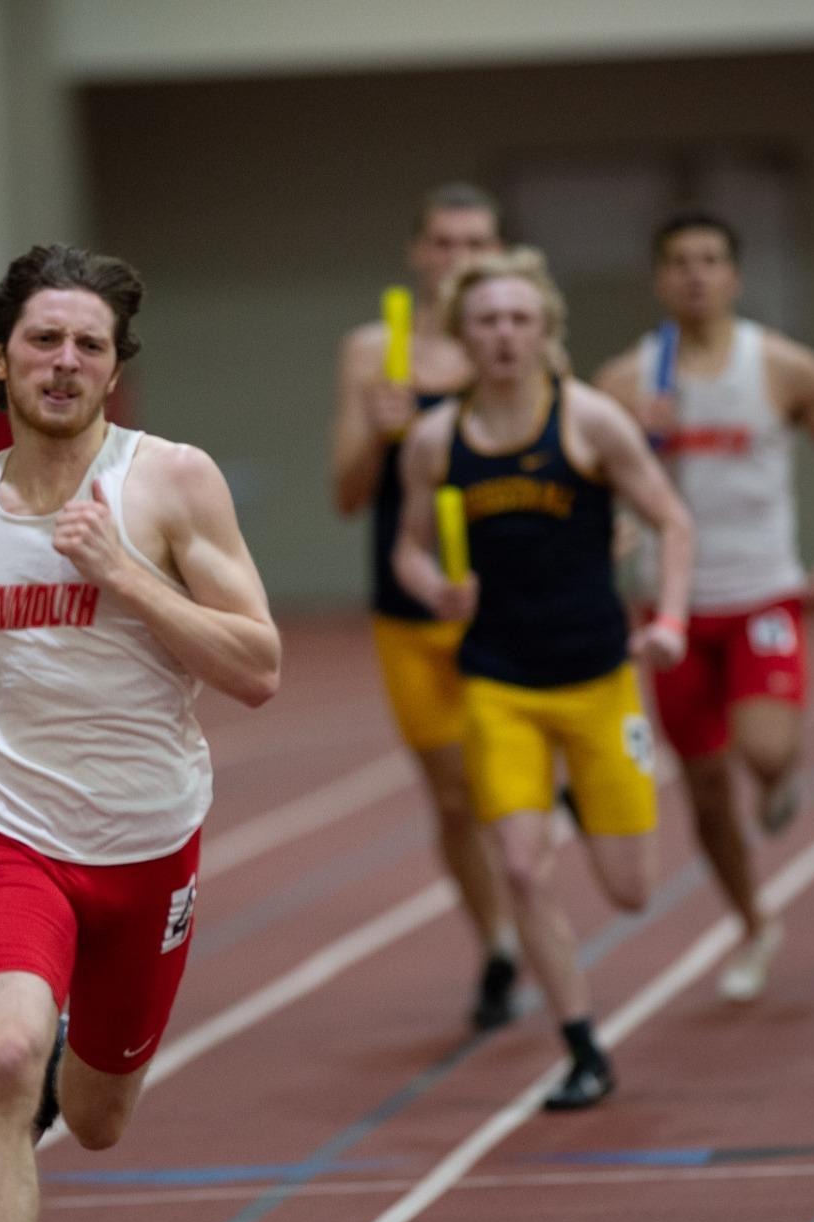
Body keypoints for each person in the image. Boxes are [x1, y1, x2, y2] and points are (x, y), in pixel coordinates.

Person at [0, 244, 280, 1222]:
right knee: (2, 1056)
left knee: (95, 1117)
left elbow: (256, 667)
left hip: (147, 846)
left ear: (113, 367)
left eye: (87, 345)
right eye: (43, 341)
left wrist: (123, 572)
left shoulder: (170, 481)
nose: (64, 362)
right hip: (5, 830)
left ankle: (65, 1077)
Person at [394, 247, 694, 1110]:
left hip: (600, 678)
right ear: (462, 335)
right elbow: (407, 547)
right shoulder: (434, 439)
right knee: (521, 869)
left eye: (520, 319)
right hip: (497, 683)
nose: (503, 335)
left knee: (631, 890)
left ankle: (575, 803)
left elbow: (670, 519)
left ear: (545, 331)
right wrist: (434, 587)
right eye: (487, 320)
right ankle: (583, 1047)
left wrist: (668, 619)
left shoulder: (591, 422)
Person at [596, 210, 814, 1002]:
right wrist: (614, 518)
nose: (695, 273)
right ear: (659, 278)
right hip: (671, 614)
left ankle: (782, 774)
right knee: (707, 788)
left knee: (760, 752)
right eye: (680, 260)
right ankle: (754, 923)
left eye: (711, 259)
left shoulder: (782, 367)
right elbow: (586, 482)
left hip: (761, 592)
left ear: (735, 275)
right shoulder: (625, 381)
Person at [330, 182, 520, 1030]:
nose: (459, 260)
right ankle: (501, 947)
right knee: (452, 799)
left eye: (477, 244)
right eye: (444, 243)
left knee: (501, 787)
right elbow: (344, 494)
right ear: (418, 253)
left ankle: (525, 908)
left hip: (500, 601)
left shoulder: (516, 342)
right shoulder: (376, 352)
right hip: (408, 606)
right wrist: (378, 427)